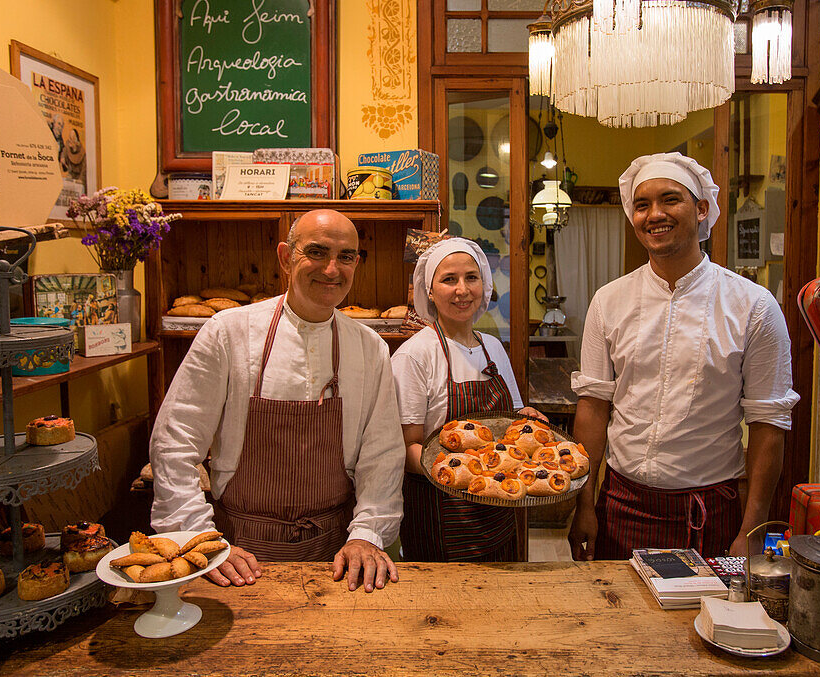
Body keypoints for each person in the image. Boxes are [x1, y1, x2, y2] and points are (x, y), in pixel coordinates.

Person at [150, 209, 404, 592]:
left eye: (346, 256)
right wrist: (200, 539)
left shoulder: (369, 349)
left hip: (337, 558)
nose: (332, 269)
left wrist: (367, 534)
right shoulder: (229, 333)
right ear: (286, 257)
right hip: (236, 556)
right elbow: (174, 441)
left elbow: (382, 454)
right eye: (316, 252)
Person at [567, 153, 799, 560]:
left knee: (702, 623)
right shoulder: (609, 301)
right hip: (621, 503)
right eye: (642, 205)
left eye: (670, 199)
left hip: (709, 511)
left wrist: (752, 528)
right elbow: (593, 406)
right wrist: (584, 505)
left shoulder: (753, 306)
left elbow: (768, 424)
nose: (654, 214)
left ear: (702, 209)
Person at [392, 237, 546, 561]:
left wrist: (527, 421)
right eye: (449, 279)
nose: (462, 290)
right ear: (430, 291)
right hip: (441, 517)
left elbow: (510, 423)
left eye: (471, 278)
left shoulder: (492, 347)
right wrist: (469, 471)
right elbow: (406, 449)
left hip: (499, 507)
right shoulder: (415, 356)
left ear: (484, 284)